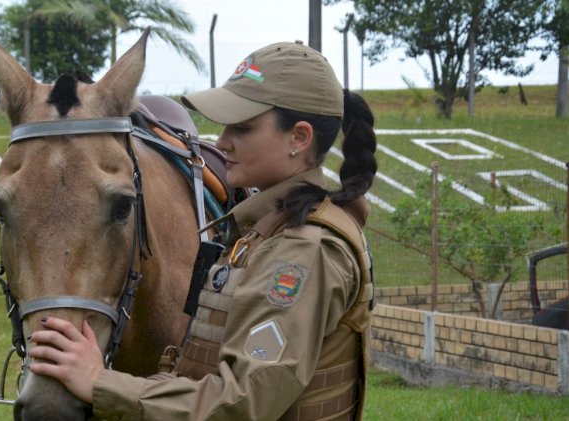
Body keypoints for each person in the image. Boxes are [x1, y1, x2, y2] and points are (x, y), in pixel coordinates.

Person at [28, 40, 378, 420]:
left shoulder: (305, 251)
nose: (223, 141)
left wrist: (100, 382)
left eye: (243, 128)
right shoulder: (268, 231)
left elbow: (245, 401)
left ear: (299, 138)